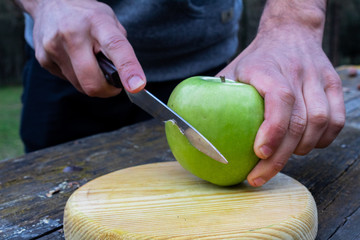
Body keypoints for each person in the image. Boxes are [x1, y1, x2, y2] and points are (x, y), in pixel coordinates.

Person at [15, 0, 345, 187]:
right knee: (49, 186)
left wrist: (298, 18)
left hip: (215, 67)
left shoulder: (236, 84)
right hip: (70, 57)